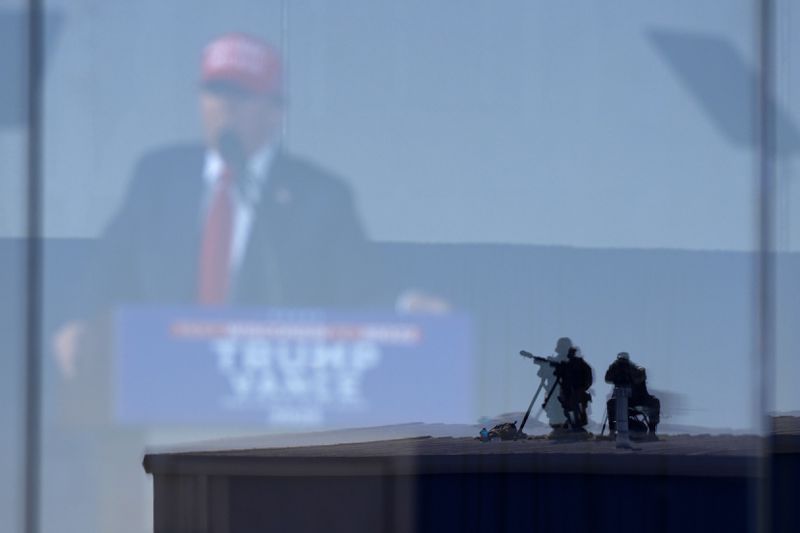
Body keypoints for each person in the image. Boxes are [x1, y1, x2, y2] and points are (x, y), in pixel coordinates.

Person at [55, 33, 381, 376]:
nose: (225, 105)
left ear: (275, 111)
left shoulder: (320, 196)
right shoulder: (159, 177)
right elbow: (111, 264)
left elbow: (359, 295)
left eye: (240, 94)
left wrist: (406, 309)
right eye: (215, 91)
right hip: (162, 376)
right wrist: (80, 320)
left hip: (270, 386)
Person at [604, 352, 660, 438]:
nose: (623, 366)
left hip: (639, 399)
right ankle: (612, 431)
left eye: (624, 364)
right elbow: (607, 379)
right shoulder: (615, 370)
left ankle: (652, 432)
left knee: (655, 402)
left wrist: (631, 374)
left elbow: (641, 375)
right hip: (622, 400)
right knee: (610, 403)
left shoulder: (636, 370)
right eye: (621, 364)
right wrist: (614, 369)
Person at [554, 346, 593, 431]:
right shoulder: (567, 364)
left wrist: (584, 387)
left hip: (577, 390)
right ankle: (572, 423)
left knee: (575, 407)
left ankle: (577, 424)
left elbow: (588, 376)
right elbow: (559, 375)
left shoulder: (579, 364)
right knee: (568, 407)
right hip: (570, 390)